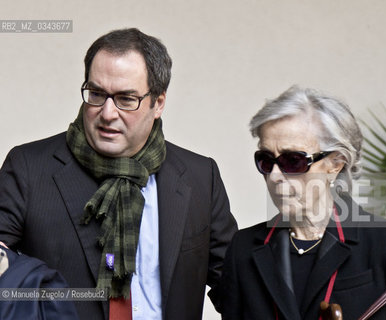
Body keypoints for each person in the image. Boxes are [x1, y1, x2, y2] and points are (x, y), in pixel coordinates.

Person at [0, 28, 238, 320]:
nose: (107, 113)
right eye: (97, 94)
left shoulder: (201, 177)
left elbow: (238, 292)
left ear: (158, 103)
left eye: (126, 99)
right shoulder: (28, 167)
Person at [219, 86, 386, 319]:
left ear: (335, 164)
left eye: (293, 161)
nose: (275, 176)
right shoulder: (243, 248)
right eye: (266, 161)